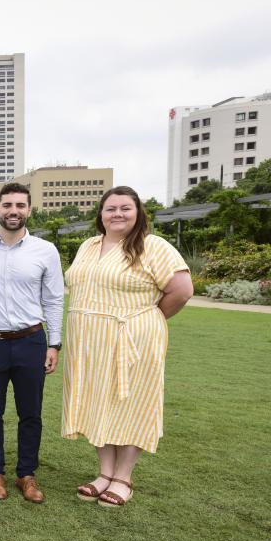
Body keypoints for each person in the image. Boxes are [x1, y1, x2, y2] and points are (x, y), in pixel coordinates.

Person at [63, 185, 193, 507]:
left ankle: (123, 477)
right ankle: (104, 473)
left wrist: (146, 321)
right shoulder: (89, 246)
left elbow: (183, 290)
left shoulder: (153, 246)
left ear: (138, 213)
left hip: (133, 341)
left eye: (125, 208)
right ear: (101, 214)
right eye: (111, 208)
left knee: (132, 404)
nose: (117, 214)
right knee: (96, 401)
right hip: (89, 343)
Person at [0, 183, 64, 503]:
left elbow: (54, 300)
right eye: (7, 205)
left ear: (29, 210)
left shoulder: (45, 251)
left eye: (20, 205)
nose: (13, 211)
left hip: (31, 341)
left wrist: (54, 344)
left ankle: (26, 475)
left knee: (30, 412)